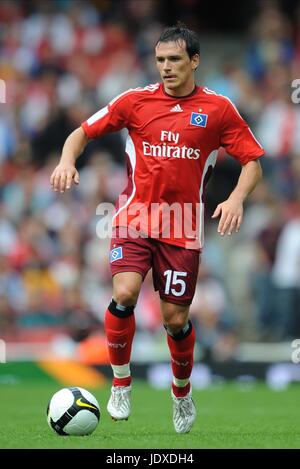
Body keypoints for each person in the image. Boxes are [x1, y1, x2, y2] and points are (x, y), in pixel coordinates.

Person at [50, 24, 264, 434]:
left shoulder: (218, 109)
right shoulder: (134, 101)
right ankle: (120, 383)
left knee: (174, 320)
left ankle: (181, 392)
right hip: (133, 217)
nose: (166, 67)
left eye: (175, 60)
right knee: (124, 293)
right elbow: (82, 132)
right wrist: (66, 161)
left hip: (183, 227)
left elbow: (252, 163)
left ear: (194, 61)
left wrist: (236, 198)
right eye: (161, 60)